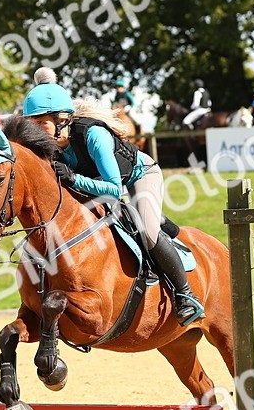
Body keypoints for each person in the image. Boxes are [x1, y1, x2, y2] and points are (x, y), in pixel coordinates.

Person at [23, 67, 203, 326]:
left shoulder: (93, 135)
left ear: (62, 119)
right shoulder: (50, 147)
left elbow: (114, 188)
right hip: (98, 183)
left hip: (138, 177)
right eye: (34, 124)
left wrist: (73, 178)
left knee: (148, 231)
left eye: (42, 123)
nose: (37, 131)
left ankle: (185, 296)